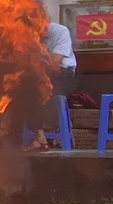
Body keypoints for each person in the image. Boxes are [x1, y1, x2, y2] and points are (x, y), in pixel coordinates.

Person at [19, 20, 79, 152]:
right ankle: (36, 135)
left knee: (32, 87)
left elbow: (54, 63)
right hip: (38, 75)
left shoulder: (60, 31)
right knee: (20, 86)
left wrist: (34, 66)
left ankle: (39, 137)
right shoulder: (27, 35)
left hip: (63, 74)